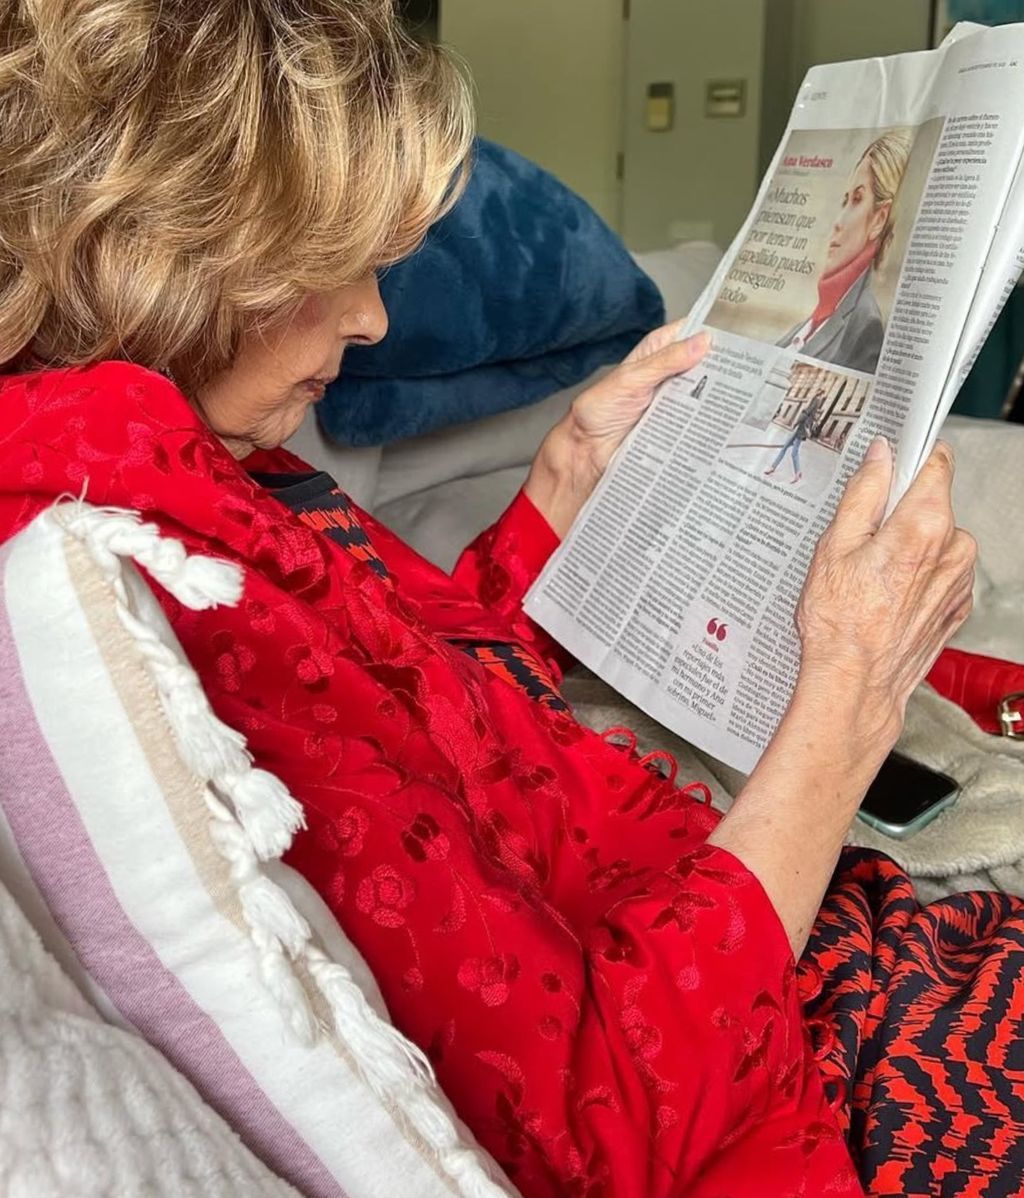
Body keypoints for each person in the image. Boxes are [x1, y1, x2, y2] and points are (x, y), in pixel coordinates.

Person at [0, 5, 1021, 1196]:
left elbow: (426, 715)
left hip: (761, 932)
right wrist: (846, 695)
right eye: (341, 263)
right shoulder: (163, 575)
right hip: (776, 1062)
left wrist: (558, 487)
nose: (374, 318)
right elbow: (607, 1125)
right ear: (185, 244)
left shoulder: (179, 462)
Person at [778, 130, 913, 375]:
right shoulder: (813, 321)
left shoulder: (865, 327)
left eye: (857, 199)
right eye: (845, 201)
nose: (837, 222)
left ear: (878, 220)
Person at [765, 388, 826, 483]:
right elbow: (812, 416)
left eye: (817, 391)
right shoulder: (817, 401)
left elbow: (806, 413)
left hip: (801, 429)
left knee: (794, 452)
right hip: (801, 428)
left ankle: (797, 473)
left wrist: (796, 422)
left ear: (818, 392)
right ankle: (773, 467)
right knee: (785, 448)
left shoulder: (815, 400)